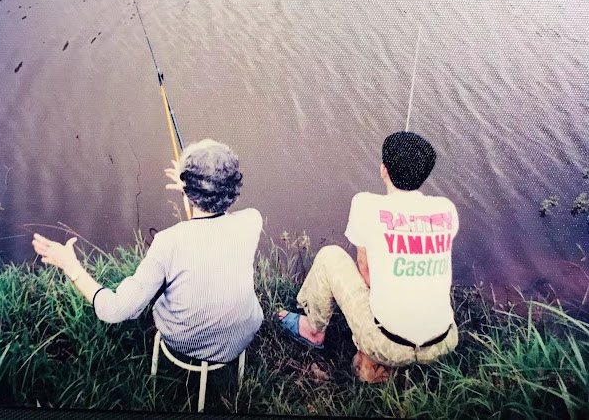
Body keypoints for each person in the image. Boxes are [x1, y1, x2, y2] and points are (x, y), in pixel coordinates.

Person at [32, 139, 264, 363]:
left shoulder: (169, 242)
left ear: (190, 191)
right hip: (243, 335)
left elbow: (114, 311)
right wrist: (194, 190)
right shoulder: (252, 220)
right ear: (233, 188)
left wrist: (70, 266)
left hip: (186, 343)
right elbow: (211, 222)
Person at [278, 131, 459, 383]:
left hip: (387, 345)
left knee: (330, 256)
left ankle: (314, 330)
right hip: (444, 343)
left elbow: (365, 273)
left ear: (383, 170)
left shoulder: (365, 204)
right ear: (425, 174)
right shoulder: (446, 209)